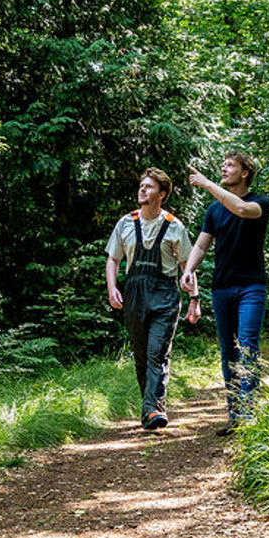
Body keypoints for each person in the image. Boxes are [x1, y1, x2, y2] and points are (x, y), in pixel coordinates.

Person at [180, 151, 269, 432]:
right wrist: (189, 269)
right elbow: (201, 245)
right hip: (222, 288)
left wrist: (206, 183)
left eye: (230, 165)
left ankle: (248, 415)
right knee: (227, 352)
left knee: (247, 346)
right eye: (223, 164)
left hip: (251, 287)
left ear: (245, 172)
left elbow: (241, 210)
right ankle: (235, 415)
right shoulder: (214, 210)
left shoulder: (260, 202)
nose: (224, 168)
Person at [106, 168, 200, 430]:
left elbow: (187, 266)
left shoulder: (174, 226)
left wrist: (194, 299)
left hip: (165, 295)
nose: (142, 189)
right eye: (142, 185)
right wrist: (112, 288)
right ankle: (150, 406)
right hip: (134, 293)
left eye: (149, 187)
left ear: (162, 194)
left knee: (156, 352)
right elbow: (113, 259)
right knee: (141, 355)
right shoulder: (126, 223)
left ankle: (153, 409)